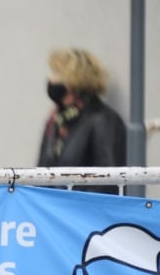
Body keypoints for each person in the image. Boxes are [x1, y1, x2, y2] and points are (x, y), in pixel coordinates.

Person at [37, 47, 127, 192]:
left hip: (81, 211)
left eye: (57, 73)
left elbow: (108, 185)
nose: (51, 79)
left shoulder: (103, 120)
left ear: (76, 80)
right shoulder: (57, 119)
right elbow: (40, 174)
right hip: (52, 211)